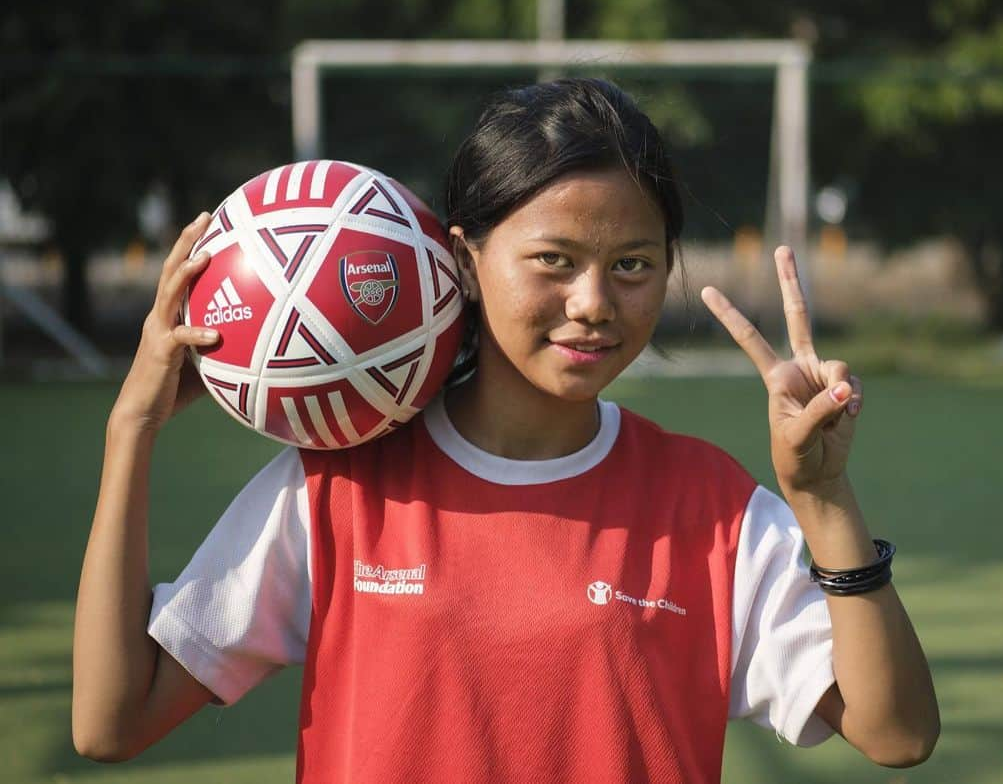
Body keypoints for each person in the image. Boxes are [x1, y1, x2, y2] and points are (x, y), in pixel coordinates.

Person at [73, 78, 939, 781]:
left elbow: (896, 734)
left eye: (632, 265)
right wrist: (132, 429)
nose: (594, 304)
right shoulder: (337, 490)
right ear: (464, 262)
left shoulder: (712, 510)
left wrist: (823, 502)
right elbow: (112, 720)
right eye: (554, 262)